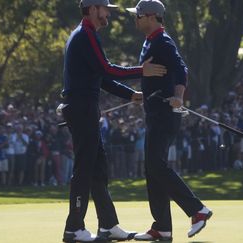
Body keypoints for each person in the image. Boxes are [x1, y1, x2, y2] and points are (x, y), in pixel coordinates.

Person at [60, 0, 167, 242]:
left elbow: (102, 78)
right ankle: (73, 227)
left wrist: (131, 95)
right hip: (81, 109)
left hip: (85, 109)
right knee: (84, 169)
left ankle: (108, 225)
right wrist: (142, 70)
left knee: (98, 170)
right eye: (105, 8)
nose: (107, 13)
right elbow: (108, 70)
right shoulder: (86, 35)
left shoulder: (87, 34)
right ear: (92, 9)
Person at [126, 0, 212, 240]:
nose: (136, 19)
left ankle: (197, 211)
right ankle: (162, 228)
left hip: (165, 113)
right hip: (154, 112)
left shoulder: (163, 41)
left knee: (156, 165)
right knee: (152, 168)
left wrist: (178, 95)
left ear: (151, 16)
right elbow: (154, 75)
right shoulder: (150, 41)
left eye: (139, 15)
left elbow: (181, 68)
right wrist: (144, 93)